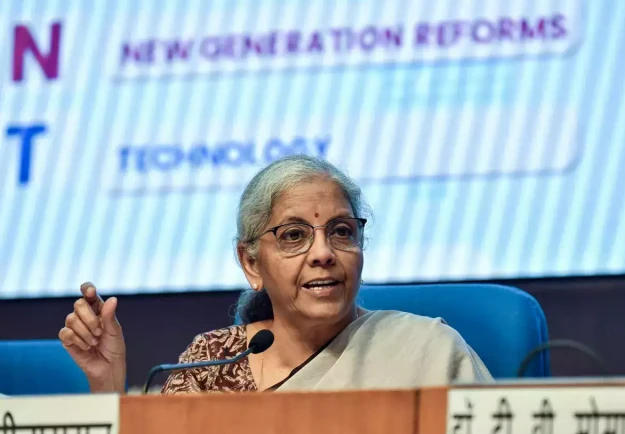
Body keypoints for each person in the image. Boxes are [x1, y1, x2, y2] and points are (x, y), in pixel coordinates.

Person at [59, 155, 492, 394]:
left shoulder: (426, 349)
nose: (323, 253)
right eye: (293, 236)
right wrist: (108, 387)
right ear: (251, 264)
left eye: (342, 231)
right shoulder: (211, 364)